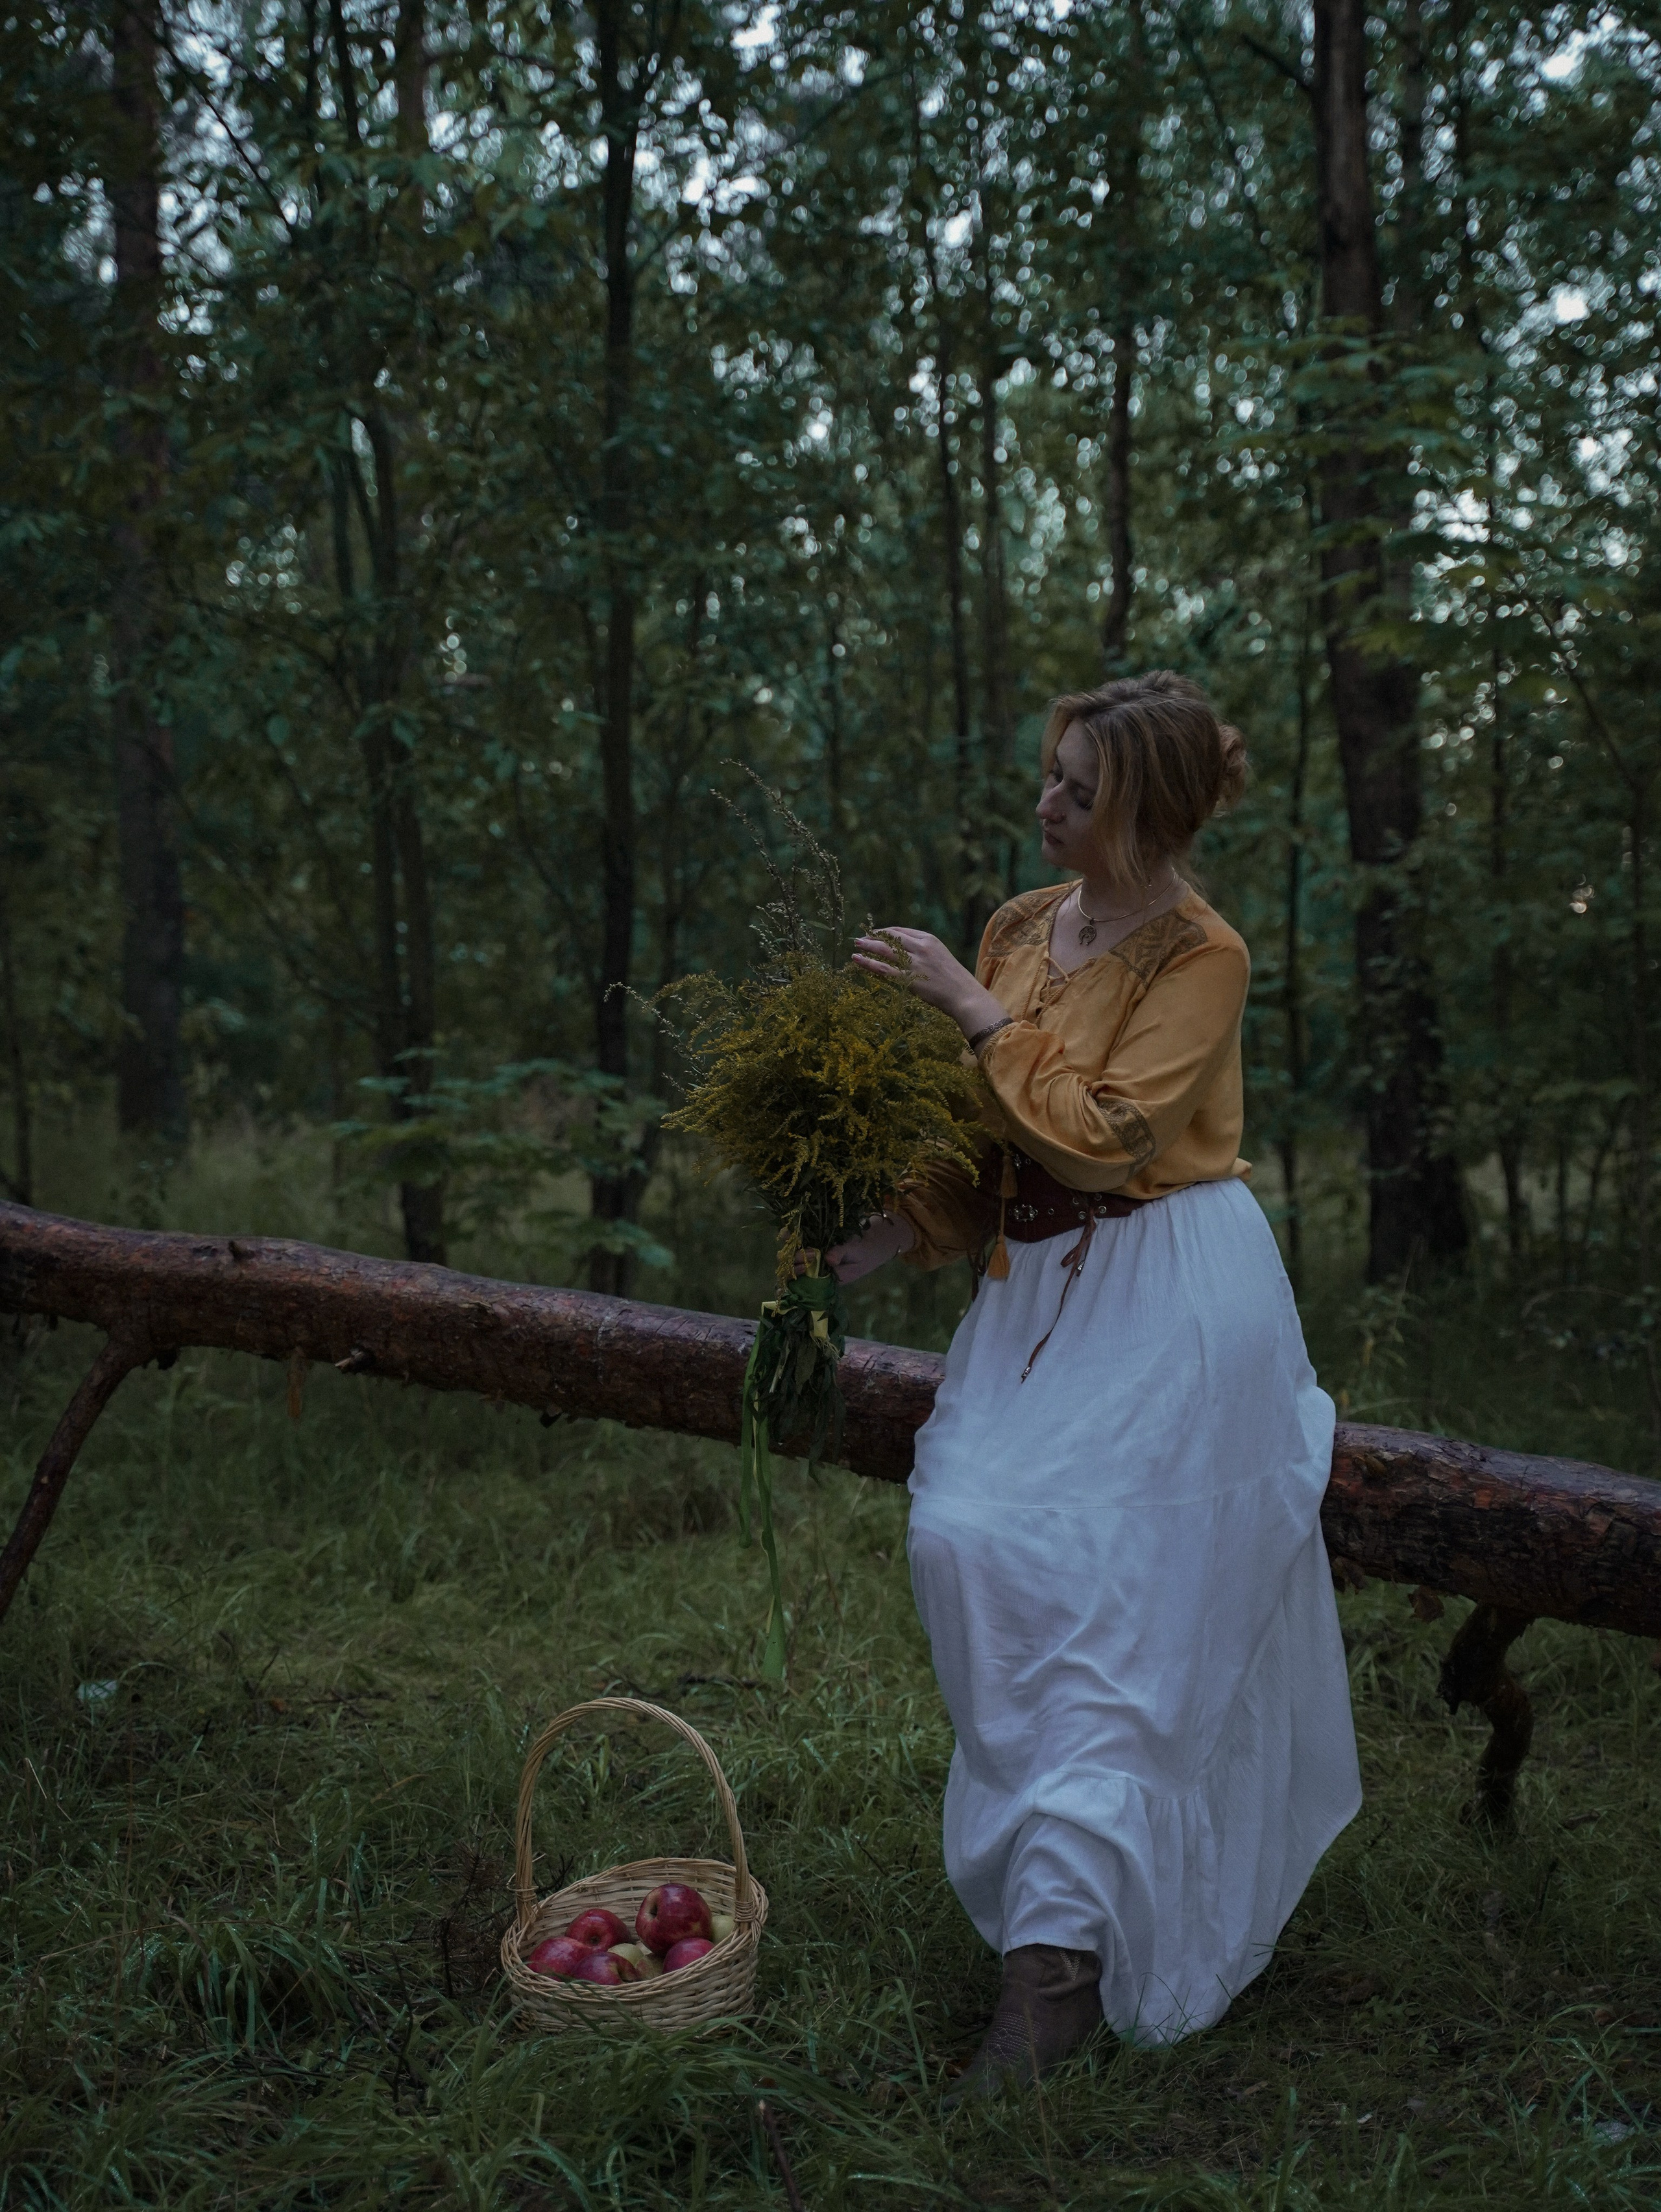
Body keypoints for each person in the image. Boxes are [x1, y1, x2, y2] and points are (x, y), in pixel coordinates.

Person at [830, 671, 1361, 2101]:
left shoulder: (1203, 953)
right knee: (965, 1536)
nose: (1046, 803)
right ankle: (1057, 1890)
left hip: (1171, 1292)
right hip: (1033, 1294)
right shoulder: (1020, 925)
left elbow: (1104, 1137)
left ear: (1150, 814)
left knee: (1118, 1599)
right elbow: (992, 1142)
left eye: (1079, 789)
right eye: (1051, 775)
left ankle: (1054, 1968)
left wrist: (968, 1008)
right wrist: (889, 1227)